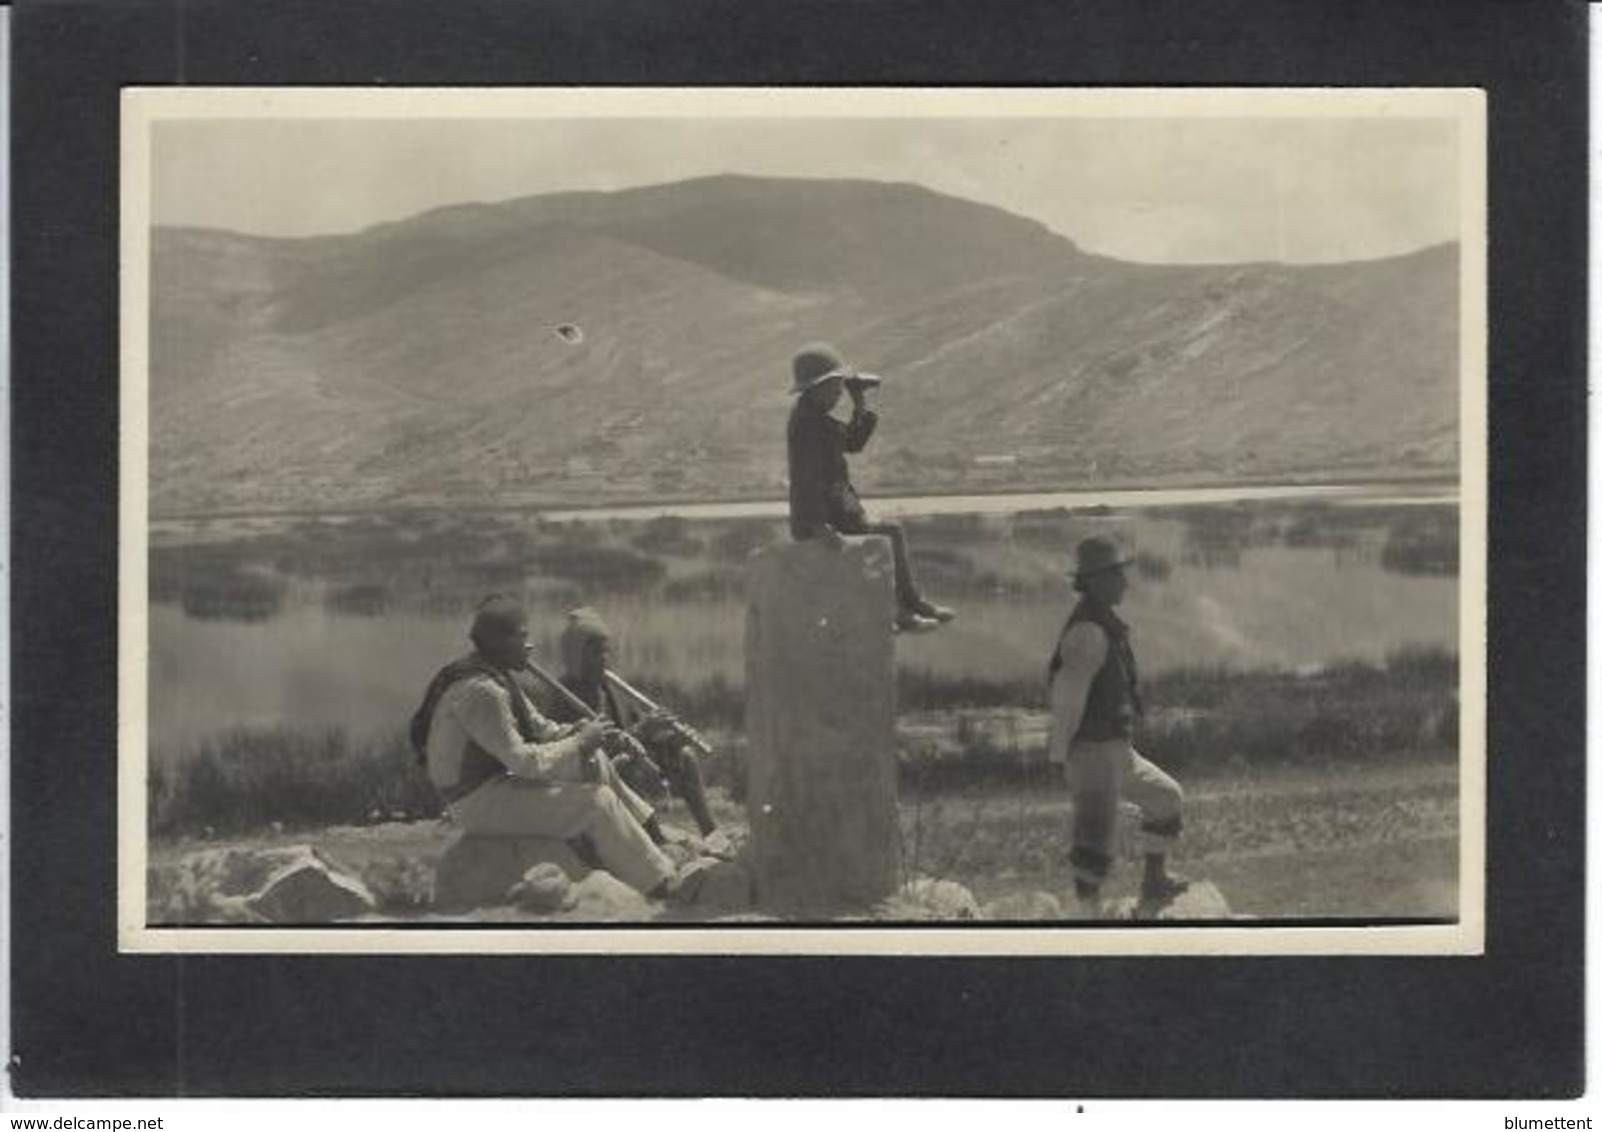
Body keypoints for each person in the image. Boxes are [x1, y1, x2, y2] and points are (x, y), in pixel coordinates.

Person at [411, 595, 703, 901]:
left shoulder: (496, 677)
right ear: (498, 642)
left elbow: (542, 729)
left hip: (493, 786)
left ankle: (650, 835)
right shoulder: (481, 691)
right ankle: (660, 883)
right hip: (476, 802)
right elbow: (523, 761)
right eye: (522, 636)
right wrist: (579, 742)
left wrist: (588, 734)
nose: (530, 645)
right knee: (596, 803)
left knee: (597, 758)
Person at [1046, 535, 1188, 914]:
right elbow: (1067, 698)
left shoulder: (1103, 625)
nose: (1124, 582)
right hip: (1092, 752)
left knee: (1166, 798)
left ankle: (1154, 881)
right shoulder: (1088, 632)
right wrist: (1061, 754)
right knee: (1094, 842)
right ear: (1093, 581)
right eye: (1115, 575)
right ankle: (1088, 918)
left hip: (1116, 750)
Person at [785, 341, 955, 633]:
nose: (840, 395)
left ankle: (910, 605)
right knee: (888, 535)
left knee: (891, 532)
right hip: (824, 522)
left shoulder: (815, 419)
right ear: (816, 388)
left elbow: (853, 442)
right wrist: (818, 526)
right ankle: (903, 610)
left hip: (839, 515)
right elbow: (806, 479)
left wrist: (860, 402)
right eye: (836, 388)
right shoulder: (806, 427)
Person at [554, 606, 720, 839]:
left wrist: (664, 734)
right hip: (595, 774)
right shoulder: (564, 696)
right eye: (594, 653)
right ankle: (649, 838)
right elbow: (591, 748)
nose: (604, 659)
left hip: (629, 760)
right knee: (628, 768)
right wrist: (642, 730)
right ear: (575, 655)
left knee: (685, 756)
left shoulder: (609, 686)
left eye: (606, 651)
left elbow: (636, 730)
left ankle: (710, 831)